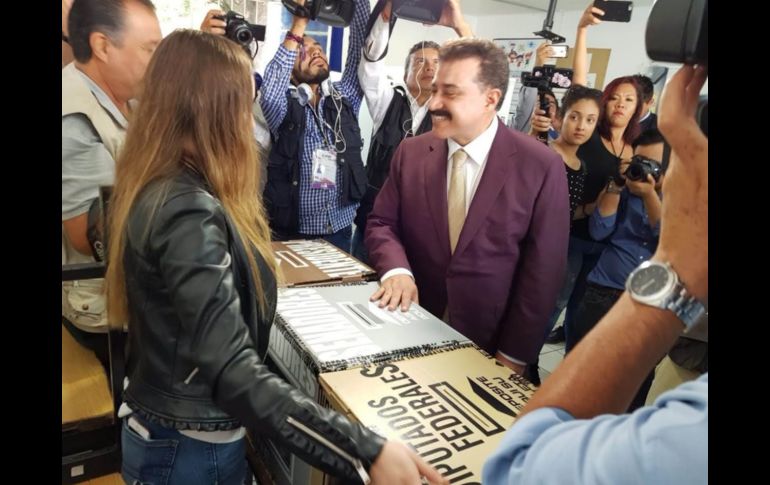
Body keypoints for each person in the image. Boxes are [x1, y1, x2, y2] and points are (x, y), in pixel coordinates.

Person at [104, 29, 447, 485]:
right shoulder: (186, 207)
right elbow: (231, 370)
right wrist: (363, 450)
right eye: (242, 105)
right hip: (187, 445)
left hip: (181, 430)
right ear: (214, 110)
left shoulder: (166, 182)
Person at [482, 64, 708, 485]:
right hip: (602, 277)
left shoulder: (686, 432)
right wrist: (618, 192)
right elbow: (602, 228)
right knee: (563, 333)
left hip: (630, 288)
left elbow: (520, 466)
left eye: (656, 168)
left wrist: (675, 253)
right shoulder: (583, 159)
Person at [365, 38, 570, 378]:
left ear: (491, 98)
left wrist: (514, 355)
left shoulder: (540, 166)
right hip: (412, 326)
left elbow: (543, 271)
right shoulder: (411, 153)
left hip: (489, 342)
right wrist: (396, 270)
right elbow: (382, 223)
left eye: (451, 93)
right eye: (434, 91)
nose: (434, 104)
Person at [62, 0, 162, 367]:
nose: (157, 62)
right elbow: (89, 238)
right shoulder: (73, 116)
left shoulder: (129, 102)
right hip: (105, 313)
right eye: (150, 50)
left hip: (139, 295)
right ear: (103, 46)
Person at [539, 2, 644, 347]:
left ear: (638, 107)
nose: (619, 104)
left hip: (605, 245)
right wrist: (582, 31)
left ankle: (570, 365)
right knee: (553, 303)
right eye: (614, 97)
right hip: (570, 234)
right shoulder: (590, 133)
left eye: (628, 100)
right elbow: (579, 86)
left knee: (582, 312)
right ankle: (527, 363)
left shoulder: (637, 147)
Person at [352, 0, 473, 263]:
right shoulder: (387, 100)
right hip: (374, 220)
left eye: (436, 63)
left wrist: (461, 27)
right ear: (405, 72)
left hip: (423, 230)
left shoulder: (451, 114)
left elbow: (481, 80)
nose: (429, 67)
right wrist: (385, 15)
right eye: (419, 62)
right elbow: (369, 67)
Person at [258, 0, 370, 253]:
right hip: (291, 234)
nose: (315, 52)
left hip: (339, 231)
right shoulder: (281, 106)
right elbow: (273, 81)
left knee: (339, 294)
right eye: (302, 51)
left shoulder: (345, 98)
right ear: (291, 71)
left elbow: (358, 48)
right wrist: (300, 21)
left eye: (318, 47)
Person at [526, 84, 603, 384]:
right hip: (529, 243)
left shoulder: (581, 165)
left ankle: (529, 359)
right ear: (561, 118)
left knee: (550, 306)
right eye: (574, 117)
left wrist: (594, 207)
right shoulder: (545, 150)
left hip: (558, 247)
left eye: (590, 120)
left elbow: (569, 211)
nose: (581, 126)